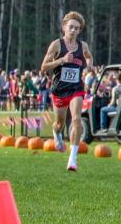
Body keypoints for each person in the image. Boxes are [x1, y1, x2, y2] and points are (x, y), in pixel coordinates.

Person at [39, 11, 93, 171]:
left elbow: (88, 55)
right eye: (71, 27)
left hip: (76, 88)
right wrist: (62, 60)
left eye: (77, 28)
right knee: (59, 123)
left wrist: (89, 64)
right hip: (59, 90)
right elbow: (43, 67)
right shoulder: (56, 45)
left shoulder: (82, 46)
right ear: (64, 27)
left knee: (76, 119)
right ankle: (57, 134)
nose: (74, 31)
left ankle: (73, 158)